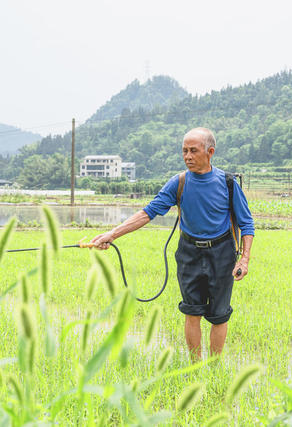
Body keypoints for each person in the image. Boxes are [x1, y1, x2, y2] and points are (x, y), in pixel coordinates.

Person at [90, 127, 254, 360]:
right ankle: (194, 366)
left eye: (193, 151)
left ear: (210, 152)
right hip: (189, 253)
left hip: (221, 253)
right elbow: (148, 212)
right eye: (184, 151)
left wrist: (244, 258)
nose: (187, 156)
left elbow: (246, 224)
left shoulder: (227, 183)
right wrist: (113, 234)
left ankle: (215, 368)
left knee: (219, 314)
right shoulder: (178, 182)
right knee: (192, 311)